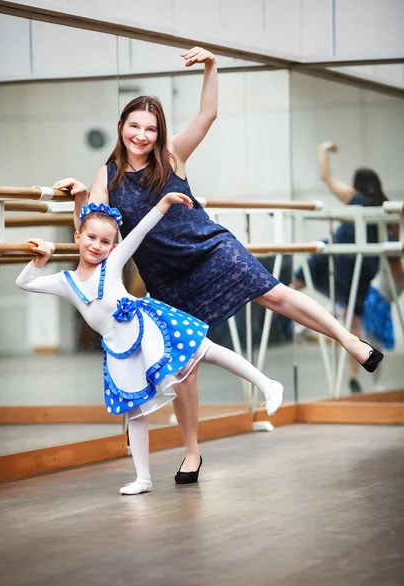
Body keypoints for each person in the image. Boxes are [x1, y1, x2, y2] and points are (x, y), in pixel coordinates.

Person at [53, 48, 383, 485]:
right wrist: (78, 195)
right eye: (135, 126)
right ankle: (191, 453)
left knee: (274, 294)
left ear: (159, 133)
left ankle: (350, 341)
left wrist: (211, 66)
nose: (142, 135)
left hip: (209, 248)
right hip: (166, 275)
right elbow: (92, 230)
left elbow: (207, 114)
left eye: (150, 128)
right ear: (121, 127)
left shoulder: (171, 156)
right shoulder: (108, 174)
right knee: (184, 365)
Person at [16, 198, 284, 494]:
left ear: (113, 247)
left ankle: (268, 384)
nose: (96, 246)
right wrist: (42, 257)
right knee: (135, 411)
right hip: (120, 348)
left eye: (105, 241)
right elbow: (25, 282)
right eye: (91, 237)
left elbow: (141, 231)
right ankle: (142, 478)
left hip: (151, 326)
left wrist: (166, 202)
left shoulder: (113, 263)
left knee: (205, 351)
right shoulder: (64, 281)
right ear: (77, 237)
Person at [292, 141, 388, 394]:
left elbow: (326, 176)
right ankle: (355, 372)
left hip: (340, 258)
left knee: (305, 273)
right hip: (366, 266)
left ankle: (283, 305)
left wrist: (323, 149)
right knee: (354, 319)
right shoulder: (383, 205)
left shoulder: (354, 198)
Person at [361, 227, 404, 390]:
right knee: (375, 343)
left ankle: (376, 382)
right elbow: (397, 274)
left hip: (381, 299)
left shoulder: (395, 244)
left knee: (377, 343)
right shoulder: (393, 246)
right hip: (378, 298)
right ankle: (375, 383)